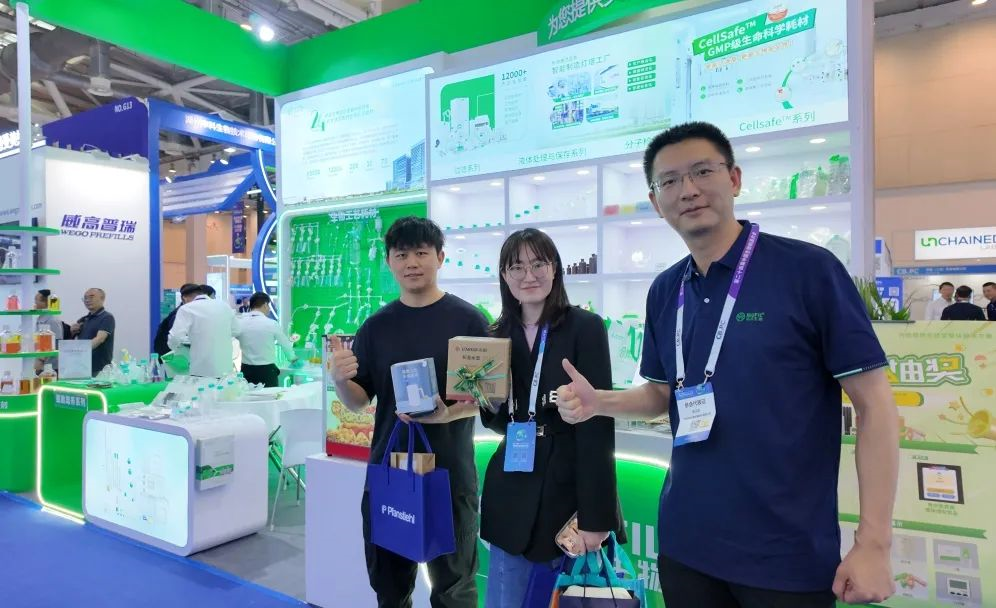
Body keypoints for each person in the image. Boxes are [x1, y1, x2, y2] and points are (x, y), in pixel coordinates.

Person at [555, 122, 899, 608]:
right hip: (686, 546)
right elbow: (661, 395)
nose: (688, 190)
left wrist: (874, 542)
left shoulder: (807, 270)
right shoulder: (666, 290)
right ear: (656, 202)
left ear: (734, 179)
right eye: (670, 181)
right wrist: (599, 402)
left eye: (702, 172)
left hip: (785, 555)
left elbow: (875, 405)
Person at [328, 216, 487, 608]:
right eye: (401, 255)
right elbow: (358, 401)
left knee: (454, 589)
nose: (412, 263)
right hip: (390, 471)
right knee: (390, 587)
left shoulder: (469, 321)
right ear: (389, 262)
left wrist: (448, 414)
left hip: (450, 476)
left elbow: (487, 399)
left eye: (421, 252)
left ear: (440, 258)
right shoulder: (376, 327)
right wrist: (339, 380)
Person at [469, 228, 623, 608]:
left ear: (555, 268)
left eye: (538, 264)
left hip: (565, 491)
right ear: (504, 275)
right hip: (511, 487)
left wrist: (596, 518)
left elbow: (597, 427)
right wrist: (489, 403)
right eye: (516, 267)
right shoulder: (495, 335)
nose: (529, 275)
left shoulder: (585, 328)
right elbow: (500, 423)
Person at [167, 284, 238, 378]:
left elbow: (175, 337)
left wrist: (175, 349)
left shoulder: (186, 308)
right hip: (225, 367)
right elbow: (237, 330)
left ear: (184, 298)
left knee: (202, 387)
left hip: (201, 369)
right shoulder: (224, 306)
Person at [234, 292, 297, 387]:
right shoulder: (271, 324)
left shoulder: (240, 323)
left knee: (247, 395)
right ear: (265, 305)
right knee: (270, 395)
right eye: (269, 306)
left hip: (246, 370)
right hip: (267, 371)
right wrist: (292, 358)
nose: (269, 309)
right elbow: (285, 344)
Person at [70, 288, 115, 375]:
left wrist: (80, 350)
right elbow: (75, 342)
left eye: (91, 297)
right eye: (85, 298)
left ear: (102, 298)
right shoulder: (83, 320)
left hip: (100, 370)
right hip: (82, 366)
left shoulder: (107, 317)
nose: (87, 300)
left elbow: (99, 339)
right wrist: (72, 332)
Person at [154, 283, 198, 358]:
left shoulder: (187, 311)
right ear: (184, 298)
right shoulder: (179, 313)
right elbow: (176, 338)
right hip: (168, 355)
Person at [34, 289, 61, 373]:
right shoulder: (41, 318)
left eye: (36, 300)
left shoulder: (52, 320)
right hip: (42, 365)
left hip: (50, 368)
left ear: (45, 302)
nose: (34, 303)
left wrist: (41, 361)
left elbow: (55, 343)